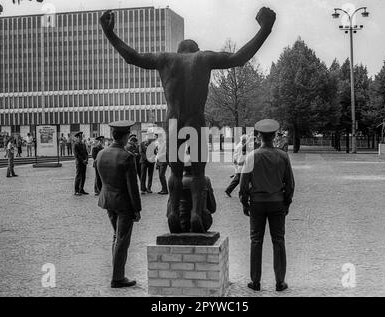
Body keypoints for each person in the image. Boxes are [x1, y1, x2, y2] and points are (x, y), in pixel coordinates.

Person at [100, 6, 276, 233]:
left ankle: (173, 211)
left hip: (173, 122)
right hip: (195, 121)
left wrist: (109, 32)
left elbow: (131, 57)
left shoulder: (164, 59)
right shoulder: (203, 58)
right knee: (198, 173)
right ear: (195, 50)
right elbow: (239, 58)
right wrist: (265, 30)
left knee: (174, 172)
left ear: (179, 50)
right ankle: (195, 214)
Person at [239, 119, 295, 293]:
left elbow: (243, 184)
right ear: (274, 136)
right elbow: (290, 184)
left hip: (257, 203)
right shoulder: (283, 156)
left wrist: (244, 203)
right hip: (277, 202)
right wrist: (286, 203)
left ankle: (255, 281)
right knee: (278, 241)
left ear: (258, 136)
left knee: (256, 241)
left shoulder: (251, 156)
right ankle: (280, 282)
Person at [96, 120, 142, 288]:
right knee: (122, 240)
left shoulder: (101, 154)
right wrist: (137, 209)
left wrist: (104, 194)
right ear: (125, 137)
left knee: (116, 237)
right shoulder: (127, 157)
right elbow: (133, 186)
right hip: (123, 204)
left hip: (108, 201)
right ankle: (117, 278)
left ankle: (117, 273)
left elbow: (99, 182)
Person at [169, 156, 216, 233]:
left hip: (181, 222)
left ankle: (176, 218)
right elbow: (212, 207)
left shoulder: (176, 182)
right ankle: (196, 217)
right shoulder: (205, 180)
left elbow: (169, 208)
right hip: (203, 222)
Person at [73, 131, 89, 196]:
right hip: (79, 163)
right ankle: (76, 191)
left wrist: (86, 159)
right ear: (76, 138)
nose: (80, 138)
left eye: (81, 137)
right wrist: (83, 160)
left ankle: (81, 189)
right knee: (78, 176)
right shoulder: (75, 145)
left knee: (83, 176)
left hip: (84, 163)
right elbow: (77, 155)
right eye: (79, 137)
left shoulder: (83, 144)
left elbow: (86, 153)